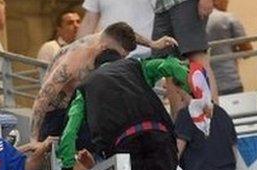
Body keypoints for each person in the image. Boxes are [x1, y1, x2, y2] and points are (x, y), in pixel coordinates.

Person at [57, 34, 192, 170]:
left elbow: (69, 131)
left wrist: (68, 165)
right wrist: (192, 88)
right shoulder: (135, 66)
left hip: (126, 147)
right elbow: (171, 66)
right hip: (160, 136)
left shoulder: (86, 87)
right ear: (118, 59)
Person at [30, 22, 176, 142]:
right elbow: (42, 98)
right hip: (56, 111)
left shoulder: (109, 36)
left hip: (79, 102)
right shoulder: (73, 62)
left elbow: (125, 33)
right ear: (104, 48)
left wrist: (152, 44)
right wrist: (34, 140)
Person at [206, 0, 252, 94]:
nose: (227, 0)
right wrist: (231, 49)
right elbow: (247, 50)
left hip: (203, 83)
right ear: (215, 0)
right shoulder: (228, 18)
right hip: (229, 79)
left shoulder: (194, 21)